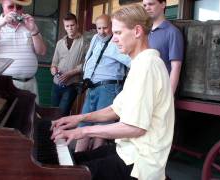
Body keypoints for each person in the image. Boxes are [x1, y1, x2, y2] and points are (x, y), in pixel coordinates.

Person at [51, 4, 174, 180]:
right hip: (127, 150)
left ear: (137, 31)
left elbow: (135, 128)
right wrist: (78, 119)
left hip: (141, 163)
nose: (113, 39)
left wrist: (82, 132)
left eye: (118, 33)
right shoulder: (141, 64)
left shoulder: (147, 67)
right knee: (72, 160)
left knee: (71, 174)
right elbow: (115, 110)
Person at [75, 14, 131, 152]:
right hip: (92, 87)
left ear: (111, 26)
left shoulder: (118, 41)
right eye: (98, 28)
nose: (101, 31)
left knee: (101, 128)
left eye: (105, 28)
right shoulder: (95, 38)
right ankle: (77, 159)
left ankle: (93, 160)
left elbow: (132, 61)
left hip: (108, 87)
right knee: (84, 122)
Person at [0, 0, 46, 103]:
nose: (15, 10)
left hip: (30, 83)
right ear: (3, 6)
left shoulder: (29, 24)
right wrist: (0, 24)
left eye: (19, 7)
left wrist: (33, 30)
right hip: (5, 85)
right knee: (7, 117)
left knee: (32, 117)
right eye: (11, 7)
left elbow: (41, 51)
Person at [50, 12, 88, 116]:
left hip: (72, 85)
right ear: (64, 27)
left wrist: (70, 73)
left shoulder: (85, 42)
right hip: (56, 84)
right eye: (67, 26)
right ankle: (52, 133)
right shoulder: (60, 43)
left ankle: (62, 132)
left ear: (77, 25)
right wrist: (53, 69)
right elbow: (54, 63)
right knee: (53, 112)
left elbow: (87, 63)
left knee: (62, 114)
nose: (70, 28)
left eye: (72, 25)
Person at [143, 0, 184, 93]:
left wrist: (168, 96)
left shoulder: (172, 32)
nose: (147, 8)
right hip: (144, 88)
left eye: (151, 4)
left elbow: (176, 66)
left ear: (163, 5)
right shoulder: (145, 32)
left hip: (160, 91)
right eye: (144, 5)